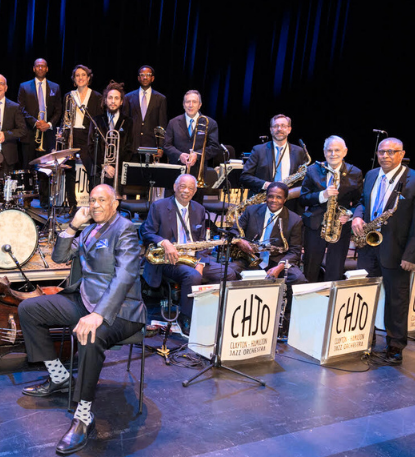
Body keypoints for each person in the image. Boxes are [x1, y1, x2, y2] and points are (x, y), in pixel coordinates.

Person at [18, 184, 145, 456]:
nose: (96, 204)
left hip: (119, 309)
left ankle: (84, 414)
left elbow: (125, 276)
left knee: (91, 334)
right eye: (92, 200)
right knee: (30, 308)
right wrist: (73, 226)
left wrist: (98, 314)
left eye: (102, 200)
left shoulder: (125, 230)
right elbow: (59, 256)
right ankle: (60, 376)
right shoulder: (88, 229)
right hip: (85, 299)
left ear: (115, 204)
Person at [352, 138, 415, 364]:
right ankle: (364, 339)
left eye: (391, 152)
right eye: (381, 152)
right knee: (365, 294)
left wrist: (411, 256)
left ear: (401, 154)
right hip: (368, 247)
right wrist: (358, 215)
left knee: (396, 300)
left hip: (397, 252)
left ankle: (395, 346)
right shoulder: (370, 175)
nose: (385, 156)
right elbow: (362, 201)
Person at [140, 174, 237, 334]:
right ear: (175, 186)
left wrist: (201, 263)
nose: (186, 191)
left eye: (190, 188)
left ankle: (210, 313)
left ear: (195, 191)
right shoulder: (159, 206)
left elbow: (202, 242)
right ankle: (185, 317)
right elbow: (146, 232)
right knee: (192, 276)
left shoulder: (199, 209)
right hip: (169, 259)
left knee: (229, 273)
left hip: (194, 257)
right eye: (182, 186)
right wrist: (164, 242)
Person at [230, 182, 307, 337]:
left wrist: (279, 267)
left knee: (298, 279)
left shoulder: (294, 220)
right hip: (249, 258)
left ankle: (287, 321)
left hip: (276, 261)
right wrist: (240, 241)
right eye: (270, 196)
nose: (274, 200)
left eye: (278, 197)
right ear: (266, 197)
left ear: (285, 199)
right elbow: (232, 231)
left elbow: (295, 252)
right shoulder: (251, 211)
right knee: (228, 272)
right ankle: (230, 316)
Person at [299, 136, 363, 282]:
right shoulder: (313, 170)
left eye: (337, 150)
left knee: (335, 269)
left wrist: (350, 214)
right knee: (310, 269)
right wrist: (323, 195)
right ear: (324, 152)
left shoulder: (355, 172)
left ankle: (330, 301)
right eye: (329, 150)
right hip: (315, 227)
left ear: (345, 152)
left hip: (340, 227)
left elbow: (360, 202)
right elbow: (303, 198)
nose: (333, 154)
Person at [18, 59, 63, 207]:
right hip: (30, 133)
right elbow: (21, 109)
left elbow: (58, 110)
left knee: (45, 169)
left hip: (48, 134)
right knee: (28, 167)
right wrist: (35, 122)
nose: (40, 68)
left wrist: (48, 124)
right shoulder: (24, 86)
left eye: (43, 66)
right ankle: (27, 199)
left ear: (47, 68)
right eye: (38, 66)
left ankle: (44, 201)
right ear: (34, 68)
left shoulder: (55, 87)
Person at [239, 114, 308, 211]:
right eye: (275, 126)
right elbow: (245, 176)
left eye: (283, 126)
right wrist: (267, 185)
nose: (279, 129)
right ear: (271, 130)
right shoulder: (258, 150)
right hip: (262, 203)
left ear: (289, 129)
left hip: (290, 205)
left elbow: (305, 180)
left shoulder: (299, 152)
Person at [64, 65, 103, 209]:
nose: (80, 78)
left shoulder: (96, 96)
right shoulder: (68, 96)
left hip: (88, 136)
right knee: (70, 172)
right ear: (74, 79)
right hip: (72, 135)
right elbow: (66, 118)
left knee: (92, 171)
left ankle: (95, 204)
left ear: (88, 78)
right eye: (77, 75)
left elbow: (98, 119)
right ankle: (72, 206)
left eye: (83, 75)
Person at [163, 90, 220, 178]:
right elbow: (166, 145)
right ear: (183, 104)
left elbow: (214, 147)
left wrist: (197, 155)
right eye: (188, 102)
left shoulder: (210, 123)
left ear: (200, 105)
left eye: (194, 102)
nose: (191, 105)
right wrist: (179, 155)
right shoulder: (173, 122)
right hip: (176, 171)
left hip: (198, 172)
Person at [86, 80, 133, 187]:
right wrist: (104, 165)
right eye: (110, 98)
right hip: (99, 172)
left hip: (118, 173)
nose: (113, 101)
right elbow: (91, 146)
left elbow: (129, 149)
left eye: (116, 98)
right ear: (105, 100)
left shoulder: (128, 122)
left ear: (121, 102)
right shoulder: (96, 120)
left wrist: (114, 167)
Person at [124, 65, 168, 158]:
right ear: (138, 78)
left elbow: (162, 124)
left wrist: (160, 147)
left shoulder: (160, 99)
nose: (145, 77)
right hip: (132, 146)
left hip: (151, 147)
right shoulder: (128, 97)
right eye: (142, 75)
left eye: (148, 75)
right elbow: (125, 123)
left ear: (152, 78)